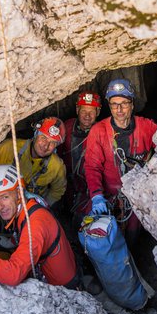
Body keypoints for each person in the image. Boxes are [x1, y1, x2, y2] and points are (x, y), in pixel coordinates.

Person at [0, 164, 79, 288]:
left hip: (62, 286)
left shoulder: (35, 222)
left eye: (4, 197)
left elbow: (13, 274)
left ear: (19, 192)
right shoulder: (26, 207)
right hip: (53, 271)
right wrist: (12, 241)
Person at [0, 117, 67, 244]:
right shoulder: (9, 148)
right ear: (36, 134)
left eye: (52, 142)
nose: (46, 145)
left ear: (57, 146)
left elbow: (58, 190)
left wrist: (41, 208)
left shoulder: (57, 166)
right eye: (43, 138)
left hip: (28, 213)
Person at [84, 78, 157, 250]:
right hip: (108, 194)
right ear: (109, 106)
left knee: (132, 233)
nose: (119, 109)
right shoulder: (99, 131)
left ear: (132, 104)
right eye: (114, 104)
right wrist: (96, 195)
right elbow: (92, 166)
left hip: (136, 195)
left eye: (124, 103)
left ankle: (132, 257)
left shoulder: (147, 127)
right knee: (102, 235)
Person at [60, 91, 101, 221]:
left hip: (89, 188)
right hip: (65, 184)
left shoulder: (103, 132)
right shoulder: (67, 126)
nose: (87, 116)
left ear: (98, 112)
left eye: (92, 111)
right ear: (77, 110)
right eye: (84, 111)